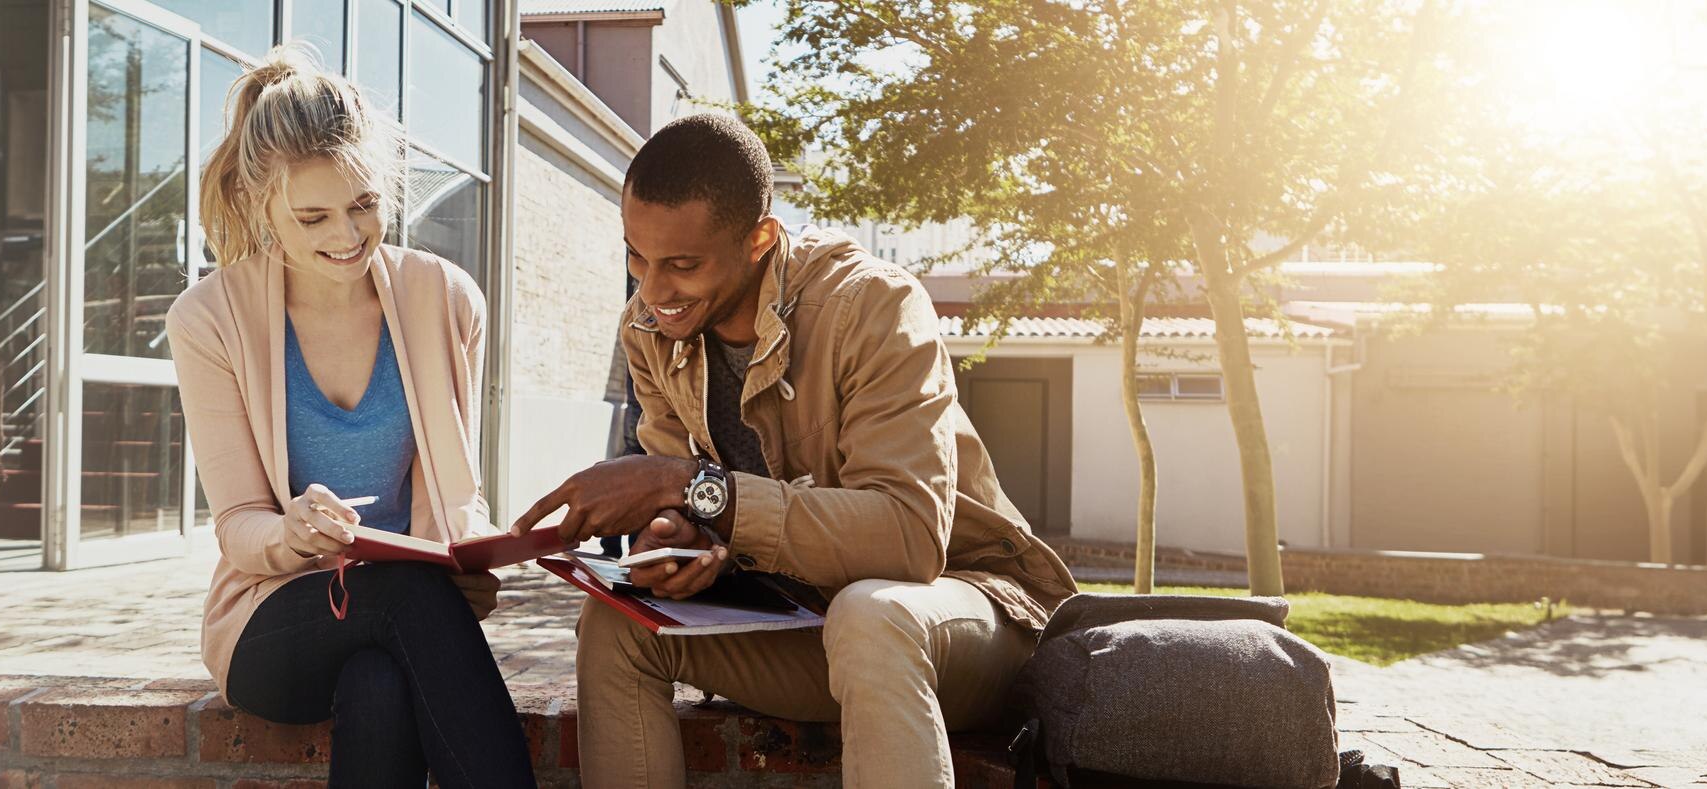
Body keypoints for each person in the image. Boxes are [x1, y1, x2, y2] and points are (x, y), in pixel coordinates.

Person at [510, 112, 1080, 788]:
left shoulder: (873, 306)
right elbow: (689, 501)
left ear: (759, 239)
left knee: (872, 612)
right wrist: (680, 544)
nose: (653, 291)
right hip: (809, 618)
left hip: (965, 617)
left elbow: (909, 540)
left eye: (682, 264)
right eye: (636, 256)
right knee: (616, 624)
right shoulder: (650, 331)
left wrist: (695, 488)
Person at [167, 46, 534, 788]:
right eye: (313, 216)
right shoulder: (209, 317)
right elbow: (239, 522)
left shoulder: (447, 298)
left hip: (406, 616)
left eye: (363, 204)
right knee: (400, 592)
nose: (347, 235)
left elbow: (455, 497)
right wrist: (291, 530)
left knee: (380, 681)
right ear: (261, 203)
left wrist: (474, 563)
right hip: (271, 620)